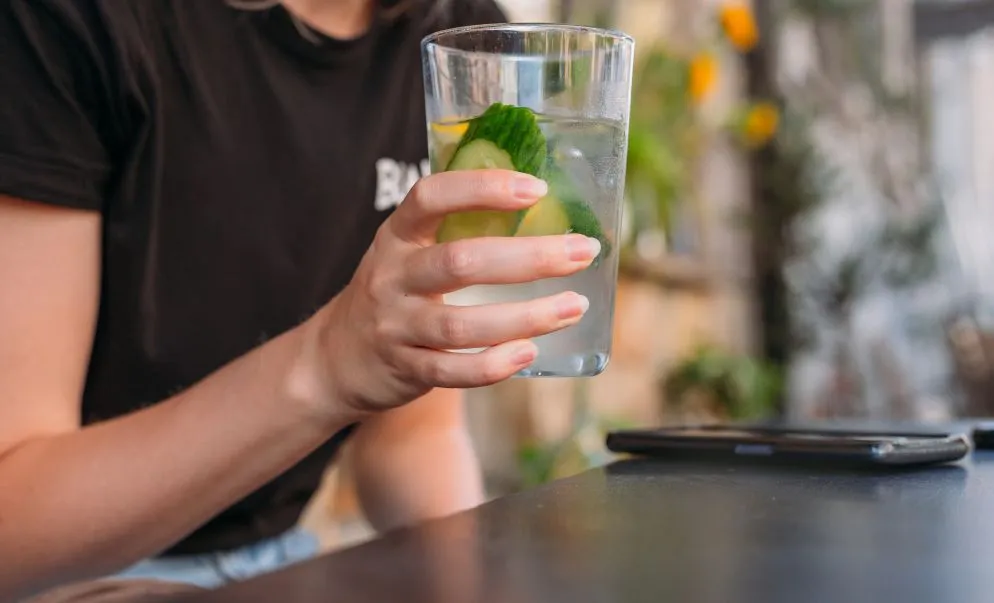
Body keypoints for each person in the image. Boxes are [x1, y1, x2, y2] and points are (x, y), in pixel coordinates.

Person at [0, 0, 601, 599]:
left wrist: (470, 576)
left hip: (281, 566)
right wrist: (325, 365)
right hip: (71, 580)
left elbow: (411, 437)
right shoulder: (70, 20)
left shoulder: (452, 34)